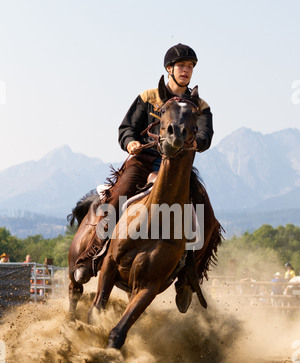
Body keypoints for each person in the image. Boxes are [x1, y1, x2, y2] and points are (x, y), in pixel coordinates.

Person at [75, 43, 222, 312]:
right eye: (182, 66)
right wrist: (130, 142)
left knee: (207, 218)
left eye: (190, 67)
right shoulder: (148, 96)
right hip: (142, 161)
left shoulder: (199, 105)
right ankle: (91, 255)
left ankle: (188, 278)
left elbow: (205, 135)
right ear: (169, 69)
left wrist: (196, 143)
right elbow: (126, 128)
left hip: (179, 168)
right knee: (117, 197)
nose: (186, 70)